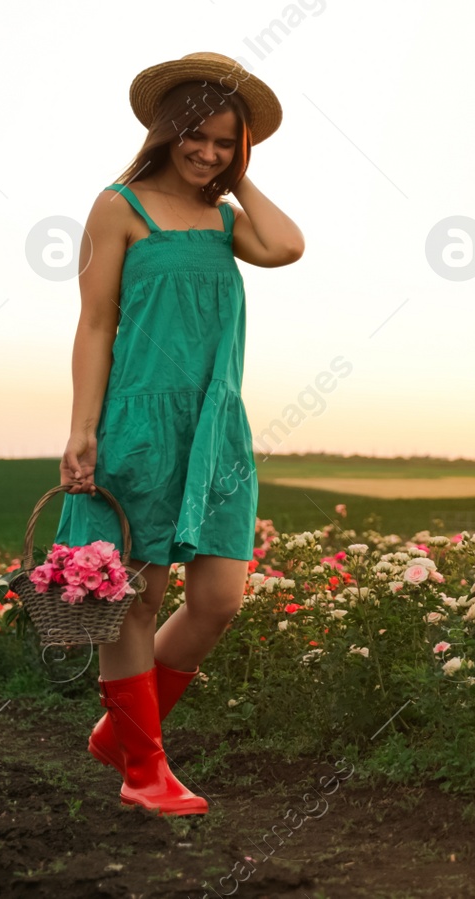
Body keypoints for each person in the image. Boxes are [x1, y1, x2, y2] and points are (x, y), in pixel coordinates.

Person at [53, 53, 304, 816]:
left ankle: (121, 732)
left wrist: (240, 181)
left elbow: (288, 245)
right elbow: (96, 324)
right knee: (134, 596)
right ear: (168, 131)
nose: (208, 153)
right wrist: (82, 429)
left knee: (219, 598)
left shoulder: (229, 222)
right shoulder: (118, 205)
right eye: (197, 136)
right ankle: (144, 767)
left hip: (218, 429)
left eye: (227, 143)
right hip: (139, 421)